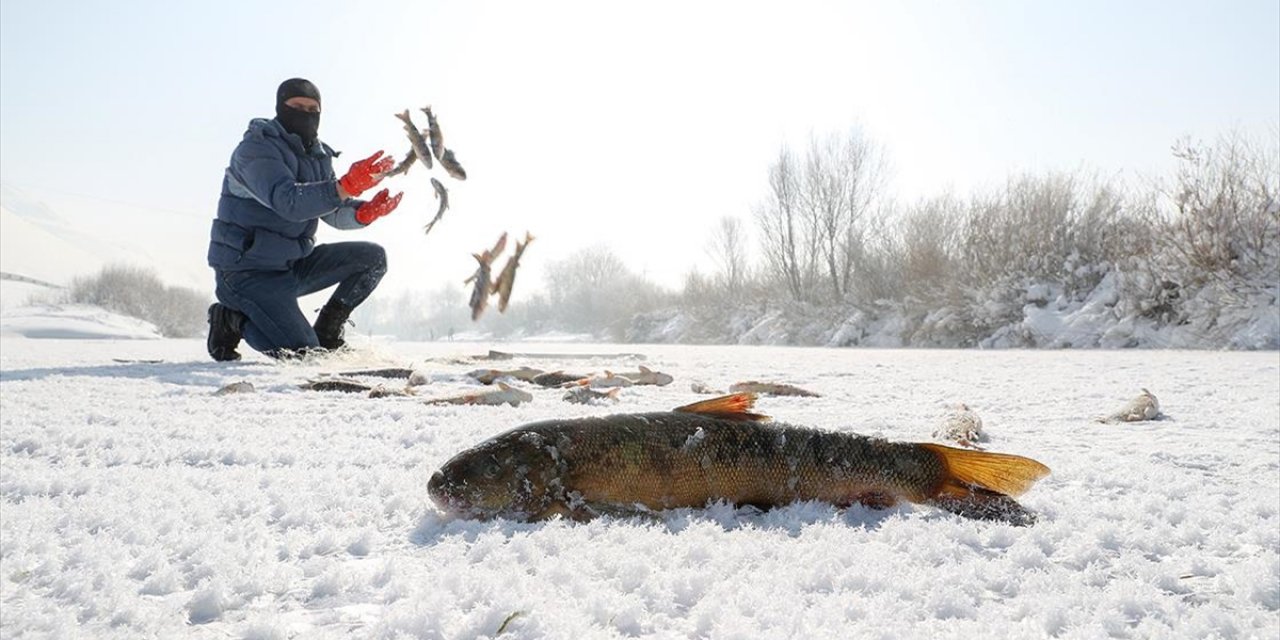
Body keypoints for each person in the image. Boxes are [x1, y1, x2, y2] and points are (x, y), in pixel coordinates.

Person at [205, 78, 403, 361]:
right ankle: (231, 318)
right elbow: (289, 202)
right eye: (297, 106)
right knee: (302, 354)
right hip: (246, 272)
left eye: (313, 109)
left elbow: (330, 209)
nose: (306, 114)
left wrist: (362, 213)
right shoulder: (256, 150)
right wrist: (346, 185)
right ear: (280, 108)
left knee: (373, 259)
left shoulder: (319, 155)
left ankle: (328, 331)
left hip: (292, 265)